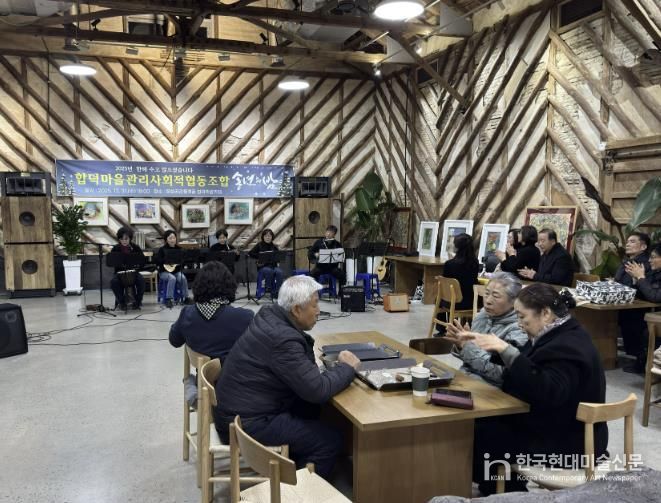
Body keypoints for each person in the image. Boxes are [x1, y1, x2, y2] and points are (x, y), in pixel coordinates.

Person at [213, 275, 361, 479]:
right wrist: (347, 367)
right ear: (297, 310)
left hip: (238, 411)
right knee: (330, 441)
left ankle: (296, 462)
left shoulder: (270, 316)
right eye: (315, 305)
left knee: (313, 410)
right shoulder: (283, 339)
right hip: (247, 424)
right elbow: (317, 390)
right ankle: (298, 488)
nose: (319, 311)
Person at [465, 283, 607, 495]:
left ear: (546, 313)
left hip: (570, 444)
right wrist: (495, 348)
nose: (519, 323)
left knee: (487, 430)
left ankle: (505, 493)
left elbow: (549, 391)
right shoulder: (559, 332)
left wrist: (507, 350)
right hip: (561, 425)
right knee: (486, 422)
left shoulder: (568, 345)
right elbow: (528, 361)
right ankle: (498, 488)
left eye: (522, 317)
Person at [445, 272, 528, 386]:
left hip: (493, 388)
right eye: (486, 293)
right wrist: (460, 345)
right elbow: (469, 360)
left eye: (496, 296)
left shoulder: (520, 328)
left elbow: (502, 374)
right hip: (467, 378)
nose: (488, 301)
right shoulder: (482, 316)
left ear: (514, 301)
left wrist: (466, 346)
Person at [169, 261, 253, 363]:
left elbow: (174, 341)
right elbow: (255, 348)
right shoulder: (244, 317)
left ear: (198, 286)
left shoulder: (187, 313)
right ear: (229, 286)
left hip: (201, 372)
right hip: (233, 372)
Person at [621, 239, 659, 373]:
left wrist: (641, 277)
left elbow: (654, 297)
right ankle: (642, 360)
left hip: (656, 316)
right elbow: (645, 292)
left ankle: (645, 362)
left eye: (653, 257)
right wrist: (636, 278)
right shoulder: (655, 271)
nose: (649, 260)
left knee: (642, 326)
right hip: (652, 313)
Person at [109, 227, 146, 311]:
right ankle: (122, 303)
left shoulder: (135, 247)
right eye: (121, 239)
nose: (124, 241)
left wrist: (137, 266)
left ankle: (137, 302)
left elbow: (142, 260)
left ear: (130, 238)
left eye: (126, 239)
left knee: (141, 282)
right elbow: (112, 262)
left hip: (133, 272)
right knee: (113, 282)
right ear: (119, 239)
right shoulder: (116, 248)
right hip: (119, 272)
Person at [442, 233, 479, 311]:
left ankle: (442, 319)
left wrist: (452, 260)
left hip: (451, 300)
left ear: (457, 247)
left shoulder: (449, 264)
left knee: (438, 299)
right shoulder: (475, 263)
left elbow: (445, 284)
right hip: (469, 301)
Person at [156, 230, 191, 308]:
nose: (172, 240)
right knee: (172, 278)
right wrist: (166, 260)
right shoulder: (162, 249)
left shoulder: (179, 249)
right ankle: (169, 299)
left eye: (174, 238)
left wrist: (181, 262)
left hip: (176, 271)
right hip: (164, 272)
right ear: (166, 239)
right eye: (170, 238)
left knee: (183, 278)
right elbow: (158, 262)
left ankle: (186, 297)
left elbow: (183, 261)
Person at [249, 228, 284, 298]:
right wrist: (259, 256)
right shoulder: (259, 245)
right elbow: (250, 253)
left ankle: (277, 291)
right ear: (263, 237)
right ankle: (268, 288)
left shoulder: (274, 246)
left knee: (280, 272)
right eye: (266, 236)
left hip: (273, 266)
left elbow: (278, 256)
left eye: (269, 236)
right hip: (263, 266)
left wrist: (278, 260)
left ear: (272, 237)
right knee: (268, 270)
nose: (268, 237)